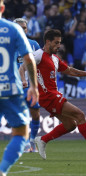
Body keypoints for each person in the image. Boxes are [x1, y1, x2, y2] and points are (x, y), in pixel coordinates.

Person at [33, 29, 86, 160]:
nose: (59, 45)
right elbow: (24, 66)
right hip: (48, 96)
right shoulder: (38, 55)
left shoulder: (54, 59)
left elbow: (70, 71)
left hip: (53, 95)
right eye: (56, 43)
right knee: (80, 115)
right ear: (47, 42)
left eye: (60, 42)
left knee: (70, 125)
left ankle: (42, 140)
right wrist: (24, 80)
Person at [0, 0, 39, 175]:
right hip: (12, 89)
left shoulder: (30, 40)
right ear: (2, 8)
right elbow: (29, 60)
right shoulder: (12, 30)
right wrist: (34, 86)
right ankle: (2, 170)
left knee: (33, 115)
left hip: (16, 88)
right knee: (20, 133)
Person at [14, 18, 41, 153]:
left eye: (24, 28)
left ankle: (32, 141)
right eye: (20, 27)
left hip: (32, 87)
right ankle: (24, 143)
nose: (23, 30)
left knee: (35, 115)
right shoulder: (7, 46)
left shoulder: (34, 44)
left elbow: (40, 64)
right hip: (16, 87)